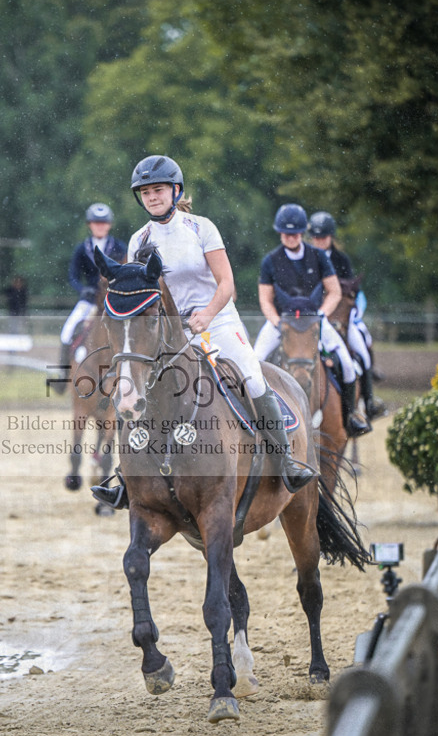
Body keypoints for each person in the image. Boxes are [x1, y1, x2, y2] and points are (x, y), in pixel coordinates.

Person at [92, 155, 315, 509]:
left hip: (218, 321)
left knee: (253, 377)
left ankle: (286, 460)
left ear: (175, 190)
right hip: (170, 333)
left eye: (158, 189)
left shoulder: (201, 228)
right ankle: (125, 474)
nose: (152, 197)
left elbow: (226, 283)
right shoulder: (139, 239)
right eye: (145, 192)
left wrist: (207, 315)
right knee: (133, 387)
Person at [253, 203, 370, 438]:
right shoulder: (271, 260)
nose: (291, 237)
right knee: (255, 362)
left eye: (295, 233)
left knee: (347, 364)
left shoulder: (318, 257)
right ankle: (255, 419)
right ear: (280, 233)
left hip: (314, 321)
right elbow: (265, 299)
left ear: (302, 233)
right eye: (286, 233)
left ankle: (351, 415)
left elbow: (334, 291)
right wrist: (277, 322)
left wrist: (321, 315)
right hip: (283, 321)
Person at [307, 211, 386, 420]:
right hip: (312, 315)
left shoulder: (341, 260)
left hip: (340, 316)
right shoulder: (305, 258)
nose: (319, 241)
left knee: (362, 349)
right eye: (315, 237)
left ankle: (368, 402)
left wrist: (354, 315)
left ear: (331, 236)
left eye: (323, 237)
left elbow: (352, 292)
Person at [58, 203, 127, 374]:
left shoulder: (119, 247)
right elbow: (73, 276)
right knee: (67, 331)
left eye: (103, 223)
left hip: (113, 299)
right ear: (90, 224)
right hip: (90, 299)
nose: (100, 226)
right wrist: (83, 289)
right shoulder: (82, 249)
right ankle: (63, 373)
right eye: (96, 223)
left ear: (109, 225)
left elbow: (127, 271)